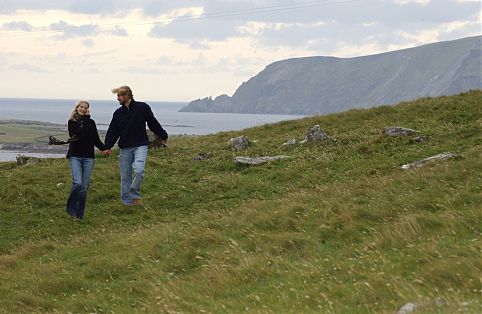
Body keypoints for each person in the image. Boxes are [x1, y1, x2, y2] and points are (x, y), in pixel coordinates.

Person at [104, 86, 168, 206]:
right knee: (125, 177)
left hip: (140, 145)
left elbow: (152, 122)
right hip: (125, 148)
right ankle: (128, 203)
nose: (117, 98)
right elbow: (113, 130)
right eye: (117, 96)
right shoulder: (118, 113)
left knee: (139, 170)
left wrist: (163, 134)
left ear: (127, 95)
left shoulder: (142, 107)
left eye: (119, 96)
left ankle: (134, 194)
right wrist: (107, 146)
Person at [66, 100, 110, 219]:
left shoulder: (91, 122)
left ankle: (79, 215)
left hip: (89, 157)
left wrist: (103, 149)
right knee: (77, 183)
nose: (83, 109)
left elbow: (95, 138)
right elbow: (80, 134)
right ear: (77, 108)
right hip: (75, 155)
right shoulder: (72, 122)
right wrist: (86, 118)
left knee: (84, 188)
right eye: (81, 107)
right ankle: (71, 208)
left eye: (86, 108)